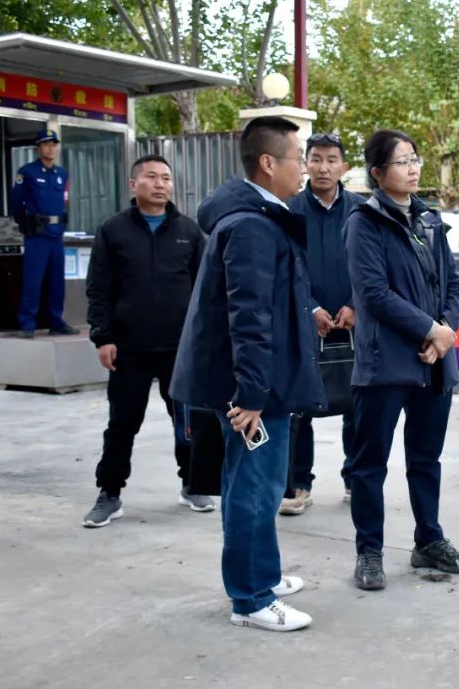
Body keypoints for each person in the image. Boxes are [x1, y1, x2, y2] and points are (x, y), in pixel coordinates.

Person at [170, 116, 325, 632]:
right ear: (268, 163)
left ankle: (265, 575)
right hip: (251, 387)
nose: (305, 168)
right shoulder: (252, 226)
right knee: (254, 489)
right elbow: (249, 317)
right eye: (299, 158)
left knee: (259, 483)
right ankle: (251, 599)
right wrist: (252, 393)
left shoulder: (259, 217)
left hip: (258, 380)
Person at [344, 129, 459, 591]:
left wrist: (444, 333)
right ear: (378, 173)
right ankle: (369, 551)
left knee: (426, 457)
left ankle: (428, 540)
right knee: (369, 463)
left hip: (433, 359)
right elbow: (373, 293)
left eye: (415, 159)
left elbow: (453, 285)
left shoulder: (430, 220)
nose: (413, 168)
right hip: (386, 362)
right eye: (402, 161)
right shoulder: (364, 222)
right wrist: (429, 329)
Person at [82, 154, 211, 528]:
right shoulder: (112, 230)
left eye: (166, 178)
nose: (160, 184)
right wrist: (103, 338)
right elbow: (99, 288)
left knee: (187, 422)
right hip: (129, 348)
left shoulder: (189, 230)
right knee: (122, 424)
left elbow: (205, 290)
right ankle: (109, 493)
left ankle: (193, 483)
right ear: (133, 184)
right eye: (151, 177)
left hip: (179, 349)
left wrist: (202, 341)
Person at [280, 132, 366, 516]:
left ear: (344, 167)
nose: (323, 167)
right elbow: (286, 268)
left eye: (332, 160)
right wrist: (309, 308)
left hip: (354, 324)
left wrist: (354, 305)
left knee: (357, 404)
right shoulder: (288, 211)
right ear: (305, 165)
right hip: (303, 324)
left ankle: (355, 478)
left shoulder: (362, 210)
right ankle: (299, 483)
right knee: (300, 406)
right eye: (315, 159)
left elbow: (373, 266)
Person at [10, 129, 79, 338]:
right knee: (33, 279)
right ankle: (27, 323)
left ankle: (56, 322)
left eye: (53, 144)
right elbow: (16, 203)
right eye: (46, 144)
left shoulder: (61, 174)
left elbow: (64, 200)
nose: (51, 148)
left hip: (56, 234)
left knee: (57, 280)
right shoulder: (27, 172)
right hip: (37, 234)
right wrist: (26, 224)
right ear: (38, 148)